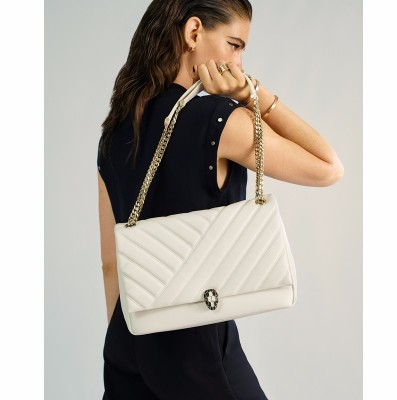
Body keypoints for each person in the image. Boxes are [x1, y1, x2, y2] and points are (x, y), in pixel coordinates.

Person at [96, 0, 344, 398]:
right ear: (193, 32)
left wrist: (138, 344)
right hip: (201, 354)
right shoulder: (222, 119)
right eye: (234, 45)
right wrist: (254, 94)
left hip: (127, 352)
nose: (239, 63)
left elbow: (111, 265)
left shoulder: (115, 132)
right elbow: (328, 166)